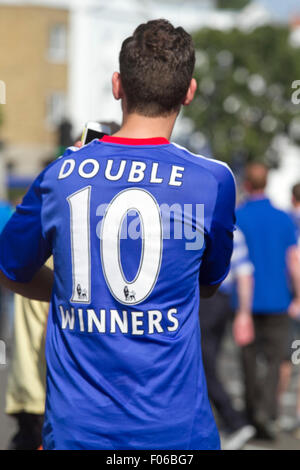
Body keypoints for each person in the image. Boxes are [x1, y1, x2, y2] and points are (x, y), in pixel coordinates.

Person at [0, 19, 236, 450]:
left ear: (116, 85)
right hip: (176, 433)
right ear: (189, 92)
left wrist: (70, 290)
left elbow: (8, 269)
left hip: (78, 431)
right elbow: (207, 286)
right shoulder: (214, 181)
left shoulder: (62, 174)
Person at [236, 163, 300, 439]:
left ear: (247, 185)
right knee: (276, 361)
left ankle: (252, 412)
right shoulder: (283, 218)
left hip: (245, 302)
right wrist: (298, 294)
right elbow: (293, 260)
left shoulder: (237, 215)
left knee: (248, 359)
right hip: (278, 300)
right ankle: (269, 411)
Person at [200, 228, 255, 450]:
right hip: (220, 300)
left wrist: (244, 313)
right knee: (207, 363)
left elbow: (244, 273)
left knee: (204, 366)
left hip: (209, 300)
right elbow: (244, 273)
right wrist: (244, 312)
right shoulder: (234, 230)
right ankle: (227, 420)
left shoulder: (209, 225)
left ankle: (234, 420)